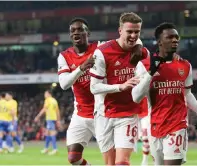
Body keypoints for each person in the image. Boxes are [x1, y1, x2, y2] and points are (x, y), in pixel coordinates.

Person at [57, 17, 144, 165]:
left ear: (88, 33)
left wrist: (138, 46)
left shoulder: (100, 48)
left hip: (103, 111)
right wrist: (81, 68)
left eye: (81, 29)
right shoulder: (65, 56)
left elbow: (123, 39)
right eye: (73, 31)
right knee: (73, 157)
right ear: (70, 35)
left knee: (115, 161)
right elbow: (64, 84)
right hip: (81, 114)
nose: (76, 33)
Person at [131, 22, 197, 165]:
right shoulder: (145, 65)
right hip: (155, 126)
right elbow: (136, 97)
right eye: (170, 37)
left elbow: (187, 93)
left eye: (176, 37)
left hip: (177, 125)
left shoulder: (185, 65)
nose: (175, 40)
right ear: (159, 42)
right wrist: (150, 73)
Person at [89, 12, 149, 165]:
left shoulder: (143, 53)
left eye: (137, 32)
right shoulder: (102, 52)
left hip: (128, 113)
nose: (134, 36)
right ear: (120, 30)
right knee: (109, 164)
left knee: (122, 162)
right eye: (130, 31)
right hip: (104, 112)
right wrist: (120, 87)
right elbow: (94, 88)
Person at [34, 90, 61, 155]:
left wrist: (38, 116)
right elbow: (57, 111)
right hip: (54, 118)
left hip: (50, 118)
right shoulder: (54, 100)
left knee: (52, 133)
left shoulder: (47, 100)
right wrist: (58, 120)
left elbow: (44, 109)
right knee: (48, 134)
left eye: (45, 94)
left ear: (49, 94)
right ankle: (46, 148)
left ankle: (55, 149)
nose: (44, 95)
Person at [138, 98, 151, 166]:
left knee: (154, 140)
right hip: (143, 115)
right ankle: (145, 160)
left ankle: (146, 161)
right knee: (145, 138)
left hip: (154, 113)